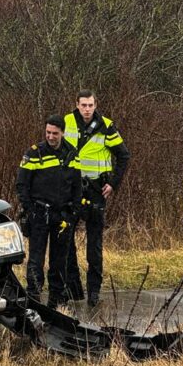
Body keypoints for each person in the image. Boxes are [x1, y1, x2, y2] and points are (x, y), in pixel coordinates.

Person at [65, 90, 130, 307]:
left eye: (90, 105)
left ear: (95, 105)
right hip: (71, 190)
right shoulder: (66, 122)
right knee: (65, 240)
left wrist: (113, 183)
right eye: (83, 105)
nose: (87, 109)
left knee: (95, 244)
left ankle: (94, 290)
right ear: (77, 104)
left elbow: (123, 155)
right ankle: (73, 289)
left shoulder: (106, 125)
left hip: (95, 190)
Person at [17, 115, 83, 306]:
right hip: (40, 213)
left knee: (59, 260)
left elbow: (77, 186)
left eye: (55, 133)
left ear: (62, 133)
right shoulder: (34, 153)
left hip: (63, 215)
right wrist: (30, 210)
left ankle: (57, 300)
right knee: (36, 260)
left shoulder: (72, 153)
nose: (51, 137)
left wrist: (74, 212)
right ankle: (33, 299)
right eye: (48, 132)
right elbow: (22, 185)